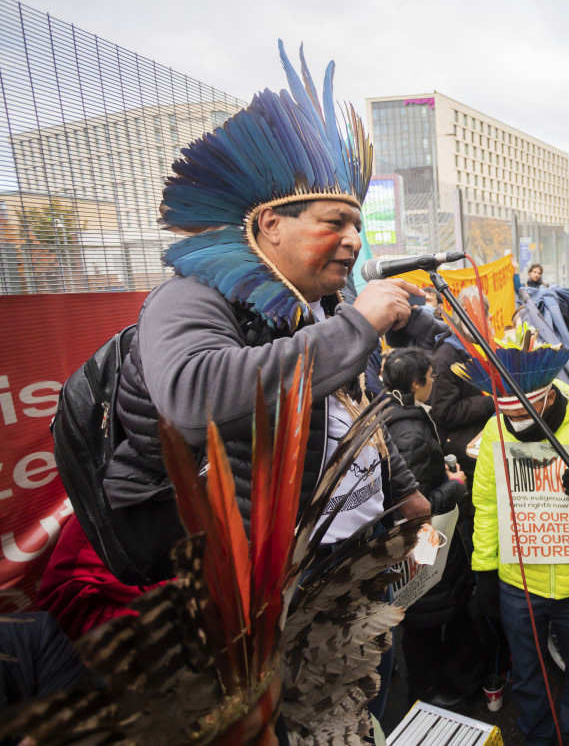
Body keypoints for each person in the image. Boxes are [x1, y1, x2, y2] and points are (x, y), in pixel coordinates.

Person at [101, 43, 433, 725]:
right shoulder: (191, 300)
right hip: (250, 610)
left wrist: (403, 492)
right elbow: (192, 400)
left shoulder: (320, 312)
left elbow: (349, 412)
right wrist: (356, 329)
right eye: (333, 222)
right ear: (267, 225)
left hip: (345, 583)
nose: (352, 240)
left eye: (356, 225)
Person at [466, 336, 569, 746]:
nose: (516, 423)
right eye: (509, 416)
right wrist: (484, 570)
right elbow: (485, 505)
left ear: (548, 395)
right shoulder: (495, 428)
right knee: (528, 674)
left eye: (524, 414)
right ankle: (537, 737)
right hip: (517, 583)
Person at [381, 347, 481, 707]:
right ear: (415, 382)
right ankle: (427, 691)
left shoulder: (397, 413)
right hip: (424, 547)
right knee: (425, 622)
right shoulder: (408, 433)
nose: (434, 381)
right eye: (430, 376)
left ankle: (434, 685)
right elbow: (417, 508)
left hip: (426, 545)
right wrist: (453, 487)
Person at [430, 286, 499, 479]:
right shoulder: (446, 355)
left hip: (488, 443)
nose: (480, 318)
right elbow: (444, 412)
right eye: (471, 312)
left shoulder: (482, 347)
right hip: (466, 453)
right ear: (461, 315)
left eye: (482, 312)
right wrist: (491, 401)